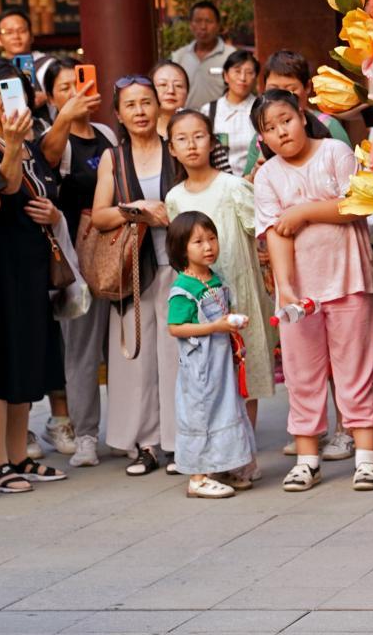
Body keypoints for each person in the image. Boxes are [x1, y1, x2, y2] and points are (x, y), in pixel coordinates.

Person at [252, 89, 373, 492]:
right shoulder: (267, 175)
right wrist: (286, 290)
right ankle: (308, 458)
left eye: (285, 120)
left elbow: (356, 205)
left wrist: (304, 211)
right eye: (269, 129)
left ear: (302, 114)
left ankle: (366, 459)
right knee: (302, 374)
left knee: (355, 370)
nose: (281, 132)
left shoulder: (333, 153)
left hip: (347, 280)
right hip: (299, 295)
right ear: (262, 139)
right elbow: (275, 234)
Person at [165, 110, 276, 453]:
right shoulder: (174, 198)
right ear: (172, 148)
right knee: (210, 377)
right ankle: (215, 453)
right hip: (201, 305)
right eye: (182, 139)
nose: (192, 145)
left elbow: (262, 232)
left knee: (245, 374)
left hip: (239, 293)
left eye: (199, 136)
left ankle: (244, 452)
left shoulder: (233, 187)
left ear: (212, 141)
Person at [0, 58, 67, 492]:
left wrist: (53, 212)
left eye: (13, 90)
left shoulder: (30, 139)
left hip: (30, 261)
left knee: (26, 356)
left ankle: (18, 456)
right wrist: (12, 145)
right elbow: (8, 188)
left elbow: (46, 187)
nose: (5, 99)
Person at [91, 75, 178, 476]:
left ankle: (180, 441)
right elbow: (100, 215)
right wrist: (138, 209)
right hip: (134, 270)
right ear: (119, 114)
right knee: (138, 361)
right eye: (131, 105)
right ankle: (146, 443)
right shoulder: (114, 157)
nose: (140, 111)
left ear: (158, 105)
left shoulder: (174, 146)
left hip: (177, 265)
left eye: (146, 102)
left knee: (176, 356)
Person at [40, 57, 117, 466]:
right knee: (82, 351)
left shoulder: (106, 133)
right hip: (77, 256)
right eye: (65, 87)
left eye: (80, 83)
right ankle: (86, 434)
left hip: (115, 253)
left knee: (118, 350)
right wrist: (63, 119)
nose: (75, 92)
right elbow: (48, 160)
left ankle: (126, 431)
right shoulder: (57, 137)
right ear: (50, 97)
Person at [166, 211, 256, 499]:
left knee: (225, 410)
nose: (208, 247)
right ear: (182, 248)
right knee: (201, 414)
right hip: (200, 367)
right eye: (198, 242)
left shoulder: (214, 279)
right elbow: (175, 327)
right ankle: (198, 477)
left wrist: (232, 323)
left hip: (220, 363)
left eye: (212, 239)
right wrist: (216, 326)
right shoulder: (183, 287)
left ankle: (225, 466)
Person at [261, 50, 350, 146]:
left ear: (307, 86)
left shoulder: (330, 127)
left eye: (291, 89)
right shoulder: (262, 133)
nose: (282, 98)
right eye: (273, 89)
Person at [200, 50, 260, 177]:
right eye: (237, 71)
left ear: (256, 78)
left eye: (249, 73)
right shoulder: (209, 110)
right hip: (217, 184)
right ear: (226, 76)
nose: (243, 78)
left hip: (253, 183)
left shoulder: (261, 109)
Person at [170, 1, 236, 110]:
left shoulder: (230, 55)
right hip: (186, 121)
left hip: (220, 121)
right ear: (191, 24)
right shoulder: (179, 56)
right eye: (198, 21)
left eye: (208, 21)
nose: (203, 27)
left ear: (218, 25)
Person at [0, 8, 52, 126]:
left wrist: (47, 96)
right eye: (8, 32)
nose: (16, 36)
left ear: (31, 35)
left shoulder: (48, 64)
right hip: (3, 129)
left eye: (22, 30)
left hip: (43, 128)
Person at [151, 60, 190, 139]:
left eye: (178, 85)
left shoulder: (198, 128)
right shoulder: (139, 130)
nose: (171, 91)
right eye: (163, 84)